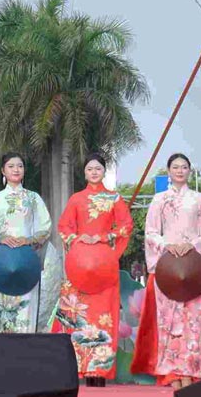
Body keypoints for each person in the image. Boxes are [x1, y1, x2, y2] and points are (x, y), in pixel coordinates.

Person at [131, 153, 201, 391]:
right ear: (168, 171)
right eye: (175, 167)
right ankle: (173, 376)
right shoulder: (159, 200)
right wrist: (169, 245)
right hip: (168, 270)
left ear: (190, 171)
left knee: (193, 324)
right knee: (169, 324)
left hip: (193, 269)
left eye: (184, 167)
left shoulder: (199, 200)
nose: (180, 170)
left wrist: (192, 244)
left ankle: (189, 373)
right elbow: (151, 232)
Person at [51, 153, 132, 387]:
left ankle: (99, 372)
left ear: (103, 171)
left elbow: (126, 226)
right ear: (84, 173)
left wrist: (105, 238)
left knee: (103, 320)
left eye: (98, 168)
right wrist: (78, 238)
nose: (94, 172)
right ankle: (76, 369)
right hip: (79, 270)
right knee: (77, 317)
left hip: (104, 270)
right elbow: (64, 226)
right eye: (89, 169)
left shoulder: (114, 198)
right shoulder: (76, 199)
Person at [0, 152, 52, 333]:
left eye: (20, 166)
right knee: (2, 315)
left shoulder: (34, 199)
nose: (16, 169)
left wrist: (29, 240)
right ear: (3, 170)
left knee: (26, 312)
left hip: (26, 266)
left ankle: (25, 356)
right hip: (3, 265)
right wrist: (1, 238)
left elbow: (45, 228)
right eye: (11, 166)